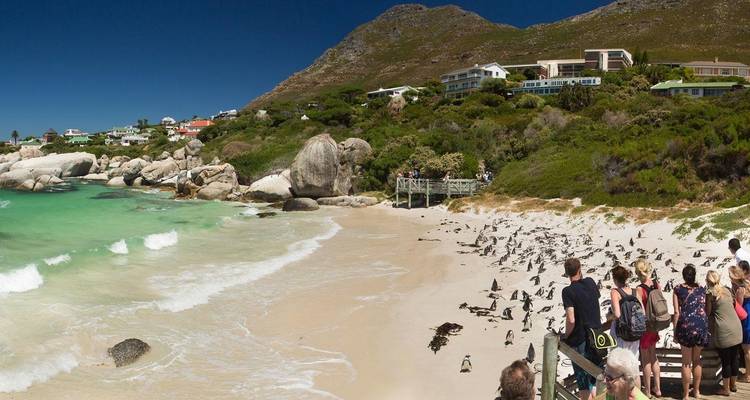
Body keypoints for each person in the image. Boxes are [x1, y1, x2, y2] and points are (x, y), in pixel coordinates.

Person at [562, 258, 603, 400]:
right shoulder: (591, 282)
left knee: (583, 383)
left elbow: (571, 319)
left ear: (567, 273)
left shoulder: (567, 291)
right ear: (580, 269)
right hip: (597, 338)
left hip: (580, 341)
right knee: (597, 377)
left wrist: (566, 336)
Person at [673, 265, 710, 400]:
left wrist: (675, 332)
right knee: (697, 360)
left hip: (686, 326)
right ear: (694, 275)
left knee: (686, 362)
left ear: (683, 276)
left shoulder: (677, 289)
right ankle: (697, 391)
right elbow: (705, 308)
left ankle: (686, 395)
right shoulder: (701, 289)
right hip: (701, 325)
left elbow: (676, 312)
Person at [705, 270, 743, 395]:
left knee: (726, 360)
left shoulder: (710, 294)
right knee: (735, 358)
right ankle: (733, 385)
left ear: (707, 281)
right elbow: (732, 305)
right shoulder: (726, 290)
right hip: (737, 328)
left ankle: (726, 390)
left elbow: (708, 312)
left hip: (724, 330)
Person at [635, 260, 661, 398]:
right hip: (656, 325)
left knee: (645, 360)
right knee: (654, 357)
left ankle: (648, 391)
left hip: (646, 327)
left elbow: (641, 311)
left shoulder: (640, 289)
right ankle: (658, 389)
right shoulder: (656, 284)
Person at [729, 265, 750, 383]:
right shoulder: (747, 283)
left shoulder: (740, 289)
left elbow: (739, 307)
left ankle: (747, 375)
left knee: (746, 349)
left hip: (746, 320)